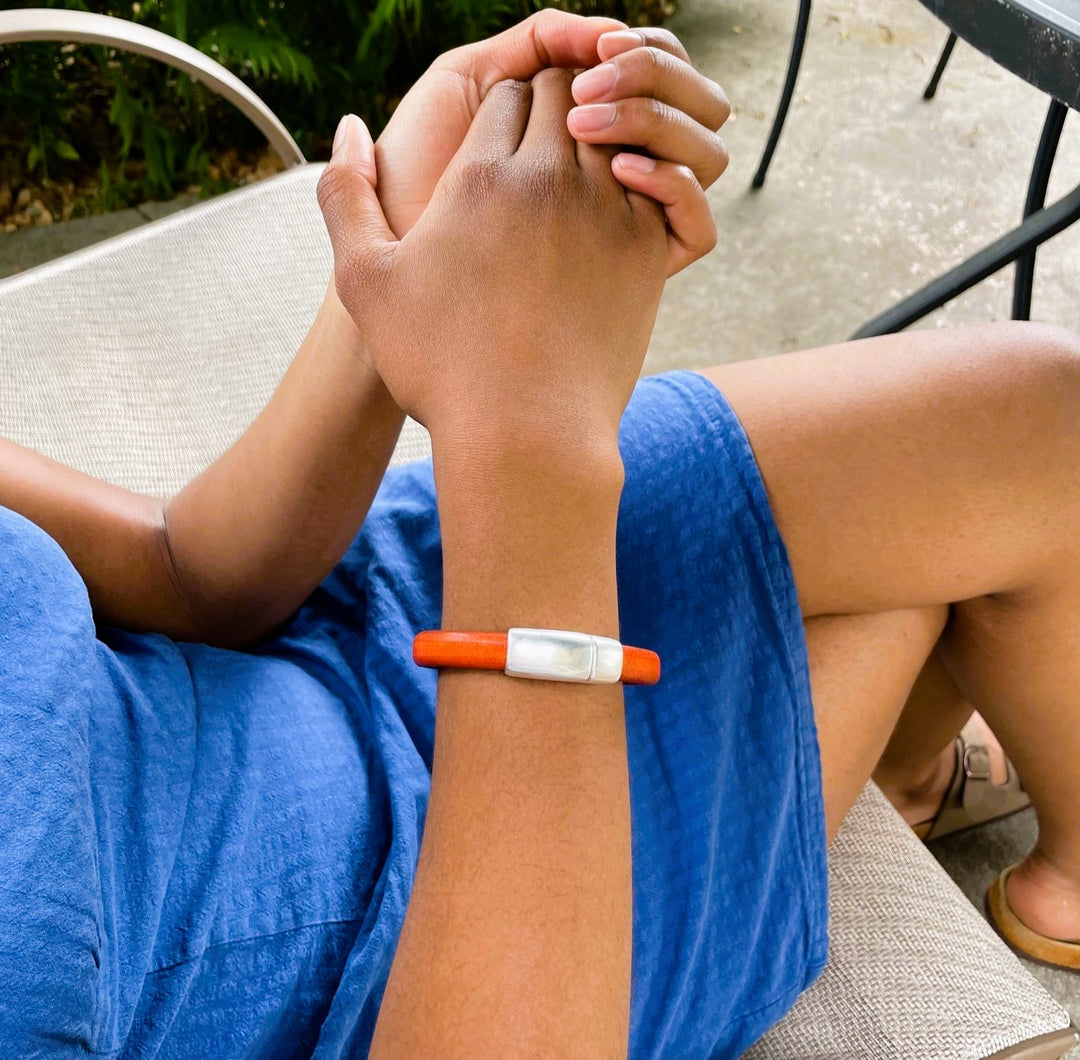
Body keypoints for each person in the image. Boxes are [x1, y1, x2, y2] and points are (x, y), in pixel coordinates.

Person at [0, 8, 1077, 1057]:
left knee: (1040, 425)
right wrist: (527, 439)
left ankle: (929, 788)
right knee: (928, 569)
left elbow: (183, 570)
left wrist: (402, 267)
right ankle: (955, 801)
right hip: (466, 947)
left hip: (313, 640)